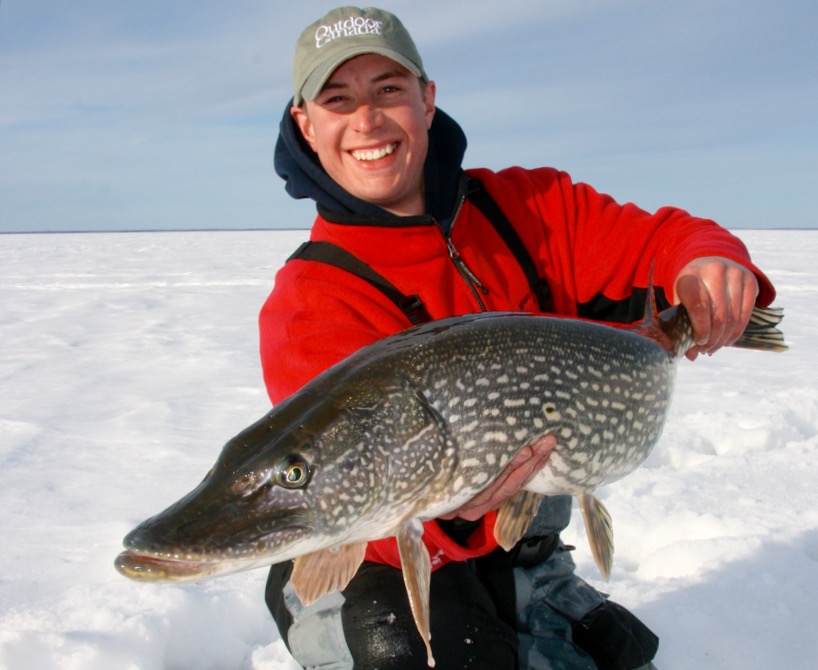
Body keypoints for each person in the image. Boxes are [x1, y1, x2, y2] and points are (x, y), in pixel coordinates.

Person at [259, 7, 776, 669]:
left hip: (521, 537)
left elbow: (664, 240)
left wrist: (708, 265)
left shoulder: (530, 207)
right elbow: (348, 497)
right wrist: (451, 506)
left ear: (426, 98)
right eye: (338, 100)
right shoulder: (309, 302)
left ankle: (532, 590)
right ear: (306, 123)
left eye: (388, 89)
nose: (367, 120)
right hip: (379, 560)